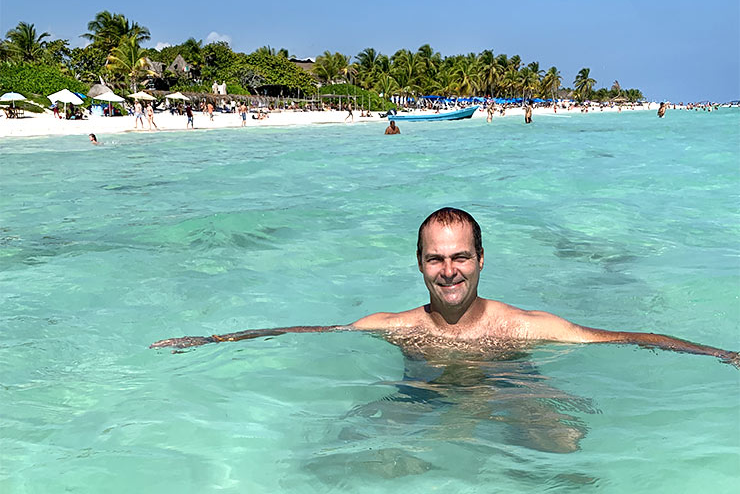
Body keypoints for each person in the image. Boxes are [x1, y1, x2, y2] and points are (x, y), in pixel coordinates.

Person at [149, 207, 739, 367]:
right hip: (423, 397)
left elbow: (626, 337)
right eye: (437, 260)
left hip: (512, 389)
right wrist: (214, 340)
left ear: (481, 261)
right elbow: (307, 329)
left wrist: (720, 354)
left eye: (461, 257)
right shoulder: (397, 326)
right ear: (420, 264)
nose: (449, 270)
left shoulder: (523, 326)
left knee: (561, 444)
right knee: (347, 450)